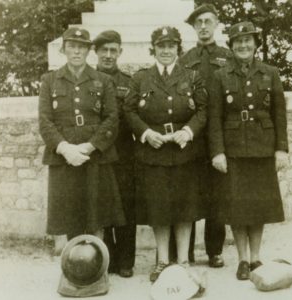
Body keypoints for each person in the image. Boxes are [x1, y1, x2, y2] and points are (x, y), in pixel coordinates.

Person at [124, 26, 207, 282]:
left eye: (171, 46)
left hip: (184, 152)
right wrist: (146, 133)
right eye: (161, 46)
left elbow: (203, 110)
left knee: (184, 207)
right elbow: (128, 111)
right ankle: (162, 261)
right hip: (154, 152)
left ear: (178, 49)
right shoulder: (140, 78)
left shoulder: (192, 77)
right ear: (154, 49)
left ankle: (182, 260)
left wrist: (189, 131)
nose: (167, 51)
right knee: (158, 209)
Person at [208, 21, 289, 280]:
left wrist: (281, 149)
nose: (243, 45)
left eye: (247, 40)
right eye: (237, 41)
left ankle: (255, 258)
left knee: (259, 207)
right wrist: (217, 152)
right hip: (233, 151)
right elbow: (214, 118)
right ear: (231, 46)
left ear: (255, 44)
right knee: (236, 208)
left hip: (262, 148)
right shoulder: (220, 75)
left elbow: (279, 114)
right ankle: (242, 259)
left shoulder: (270, 73)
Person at [38, 27, 125, 254]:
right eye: (72, 46)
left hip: (95, 157)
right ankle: (72, 269)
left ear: (88, 50)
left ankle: (96, 267)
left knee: (97, 217)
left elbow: (111, 119)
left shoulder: (103, 80)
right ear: (63, 49)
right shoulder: (49, 80)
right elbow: (45, 121)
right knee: (68, 216)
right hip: (63, 158)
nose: (76, 51)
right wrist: (66, 149)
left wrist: (88, 147)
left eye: (81, 47)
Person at [169, 3, 231, 268]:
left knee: (217, 195)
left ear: (216, 24)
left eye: (208, 21)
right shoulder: (185, 59)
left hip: (218, 136)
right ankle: (185, 254)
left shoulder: (228, 57)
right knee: (188, 194)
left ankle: (215, 251)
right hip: (192, 136)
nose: (203, 27)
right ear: (194, 28)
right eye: (198, 23)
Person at [93, 30, 136, 278]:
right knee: (102, 205)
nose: (108, 55)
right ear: (96, 52)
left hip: (124, 152)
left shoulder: (128, 82)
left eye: (113, 50)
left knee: (126, 205)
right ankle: (107, 257)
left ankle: (126, 261)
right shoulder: (88, 80)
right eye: (104, 50)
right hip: (98, 152)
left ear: (119, 52)